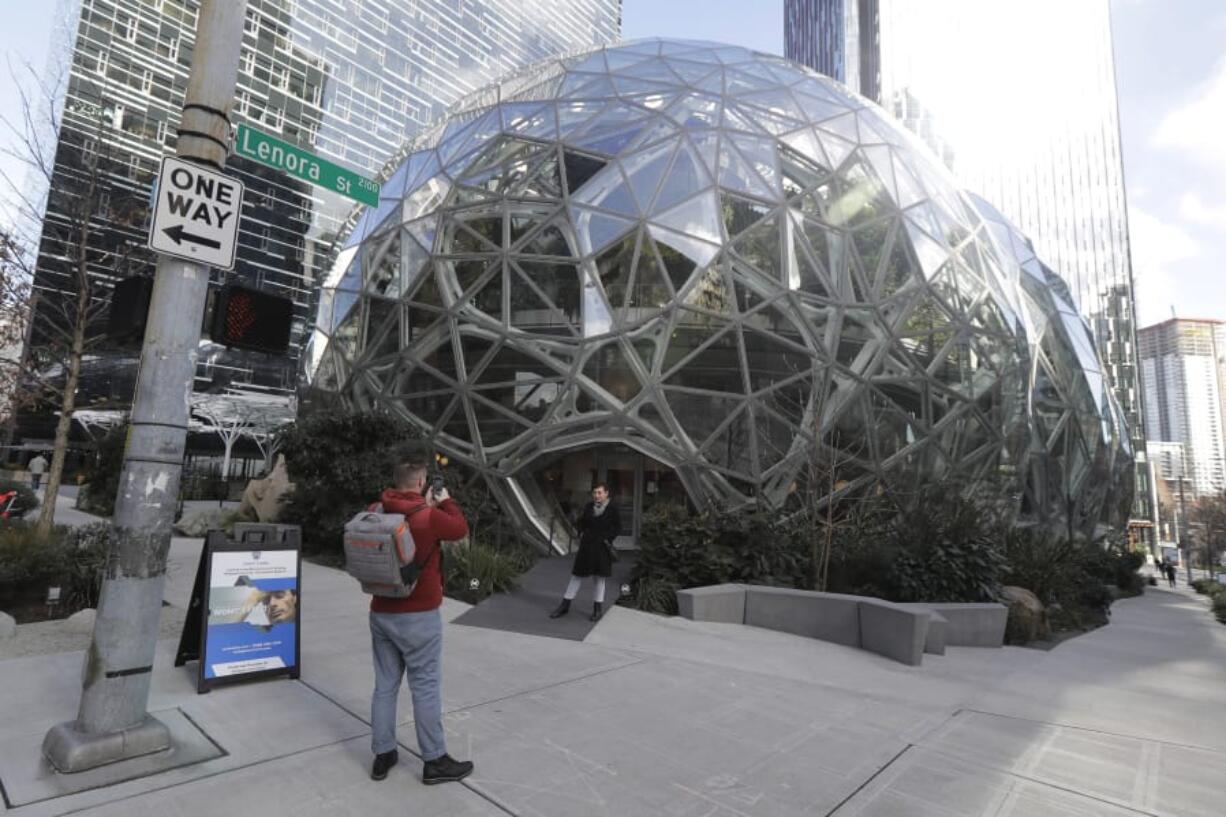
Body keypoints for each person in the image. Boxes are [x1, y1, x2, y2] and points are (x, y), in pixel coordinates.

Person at [368, 456, 473, 786]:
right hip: (419, 616)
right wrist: (446, 501)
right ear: (420, 483)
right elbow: (459, 528)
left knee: (385, 686)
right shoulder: (430, 517)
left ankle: (383, 754)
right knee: (425, 688)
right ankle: (435, 760)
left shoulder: (376, 510)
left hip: (381, 611)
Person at [549, 482, 620, 622]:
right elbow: (582, 522)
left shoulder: (613, 509)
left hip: (602, 548)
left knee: (599, 579)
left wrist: (606, 538)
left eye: (599, 492)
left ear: (606, 493)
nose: (596, 495)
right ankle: (564, 606)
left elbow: (617, 528)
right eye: (595, 493)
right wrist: (580, 531)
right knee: (576, 576)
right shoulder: (589, 506)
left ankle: (597, 609)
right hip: (587, 546)